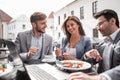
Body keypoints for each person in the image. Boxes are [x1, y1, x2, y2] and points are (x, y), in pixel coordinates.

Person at [68, 9, 120, 80]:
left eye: (100, 24)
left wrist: (99, 78)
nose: (98, 28)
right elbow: (86, 64)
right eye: (97, 25)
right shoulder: (102, 44)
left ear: (112, 21)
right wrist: (87, 55)